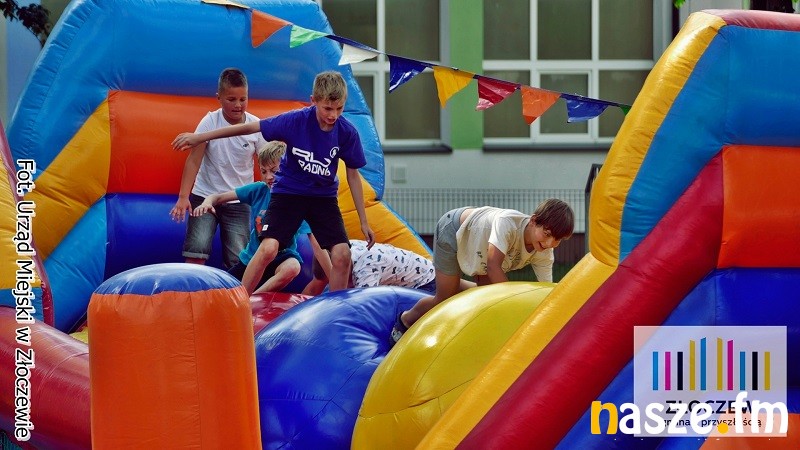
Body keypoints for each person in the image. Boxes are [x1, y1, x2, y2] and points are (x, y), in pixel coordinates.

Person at [173, 70, 375, 294]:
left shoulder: (347, 133)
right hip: (289, 193)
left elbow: (353, 175)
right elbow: (249, 127)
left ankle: (337, 307)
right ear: (314, 101)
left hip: (322, 198)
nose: (333, 115)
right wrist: (201, 137)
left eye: (339, 109)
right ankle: (240, 300)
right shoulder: (295, 121)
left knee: (342, 254)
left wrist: (364, 221)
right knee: (268, 248)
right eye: (327, 108)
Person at [390, 199, 575, 345]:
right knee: (444, 298)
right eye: (547, 234)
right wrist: (514, 303)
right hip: (455, 229)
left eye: (558, 240)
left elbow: (548, 291)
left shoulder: (544, 252)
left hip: (481, 246)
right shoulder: (508, 224)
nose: (550, 243)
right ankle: (405, 320)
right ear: (534, 221)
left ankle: (454, 285)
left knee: (486, 301)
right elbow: (493, 265)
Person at [192, 141, 328, 294]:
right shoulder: (259, 190)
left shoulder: (300, 202)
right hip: (251, 260)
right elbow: (218, 197)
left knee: (293, 266)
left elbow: (318, 246)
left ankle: (253, 298)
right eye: (263, 171)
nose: (268, 177)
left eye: (274, 171)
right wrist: (208, 202)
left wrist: (335, 282)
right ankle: (243, 296)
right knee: (219, 293)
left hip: (280, 258)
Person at [169, 68, 266, 269]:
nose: (238, 105)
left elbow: (266, 163)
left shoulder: (255, 126)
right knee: (197, 250)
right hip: (205, 196)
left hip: (238, 200)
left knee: (238, 258)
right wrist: (183, 197)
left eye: (243, 99)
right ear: (219, 98)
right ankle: (193, 287)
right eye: (231, 99)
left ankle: (235, 290)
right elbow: (194, 160)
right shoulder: (210, 122)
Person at [302, 239, 472, 296]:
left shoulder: (365, 269)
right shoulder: (345, 249)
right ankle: (481, 288)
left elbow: (365, 304)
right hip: (422, 267)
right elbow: (317, 284)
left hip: (423, 283)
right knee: (466, 287)